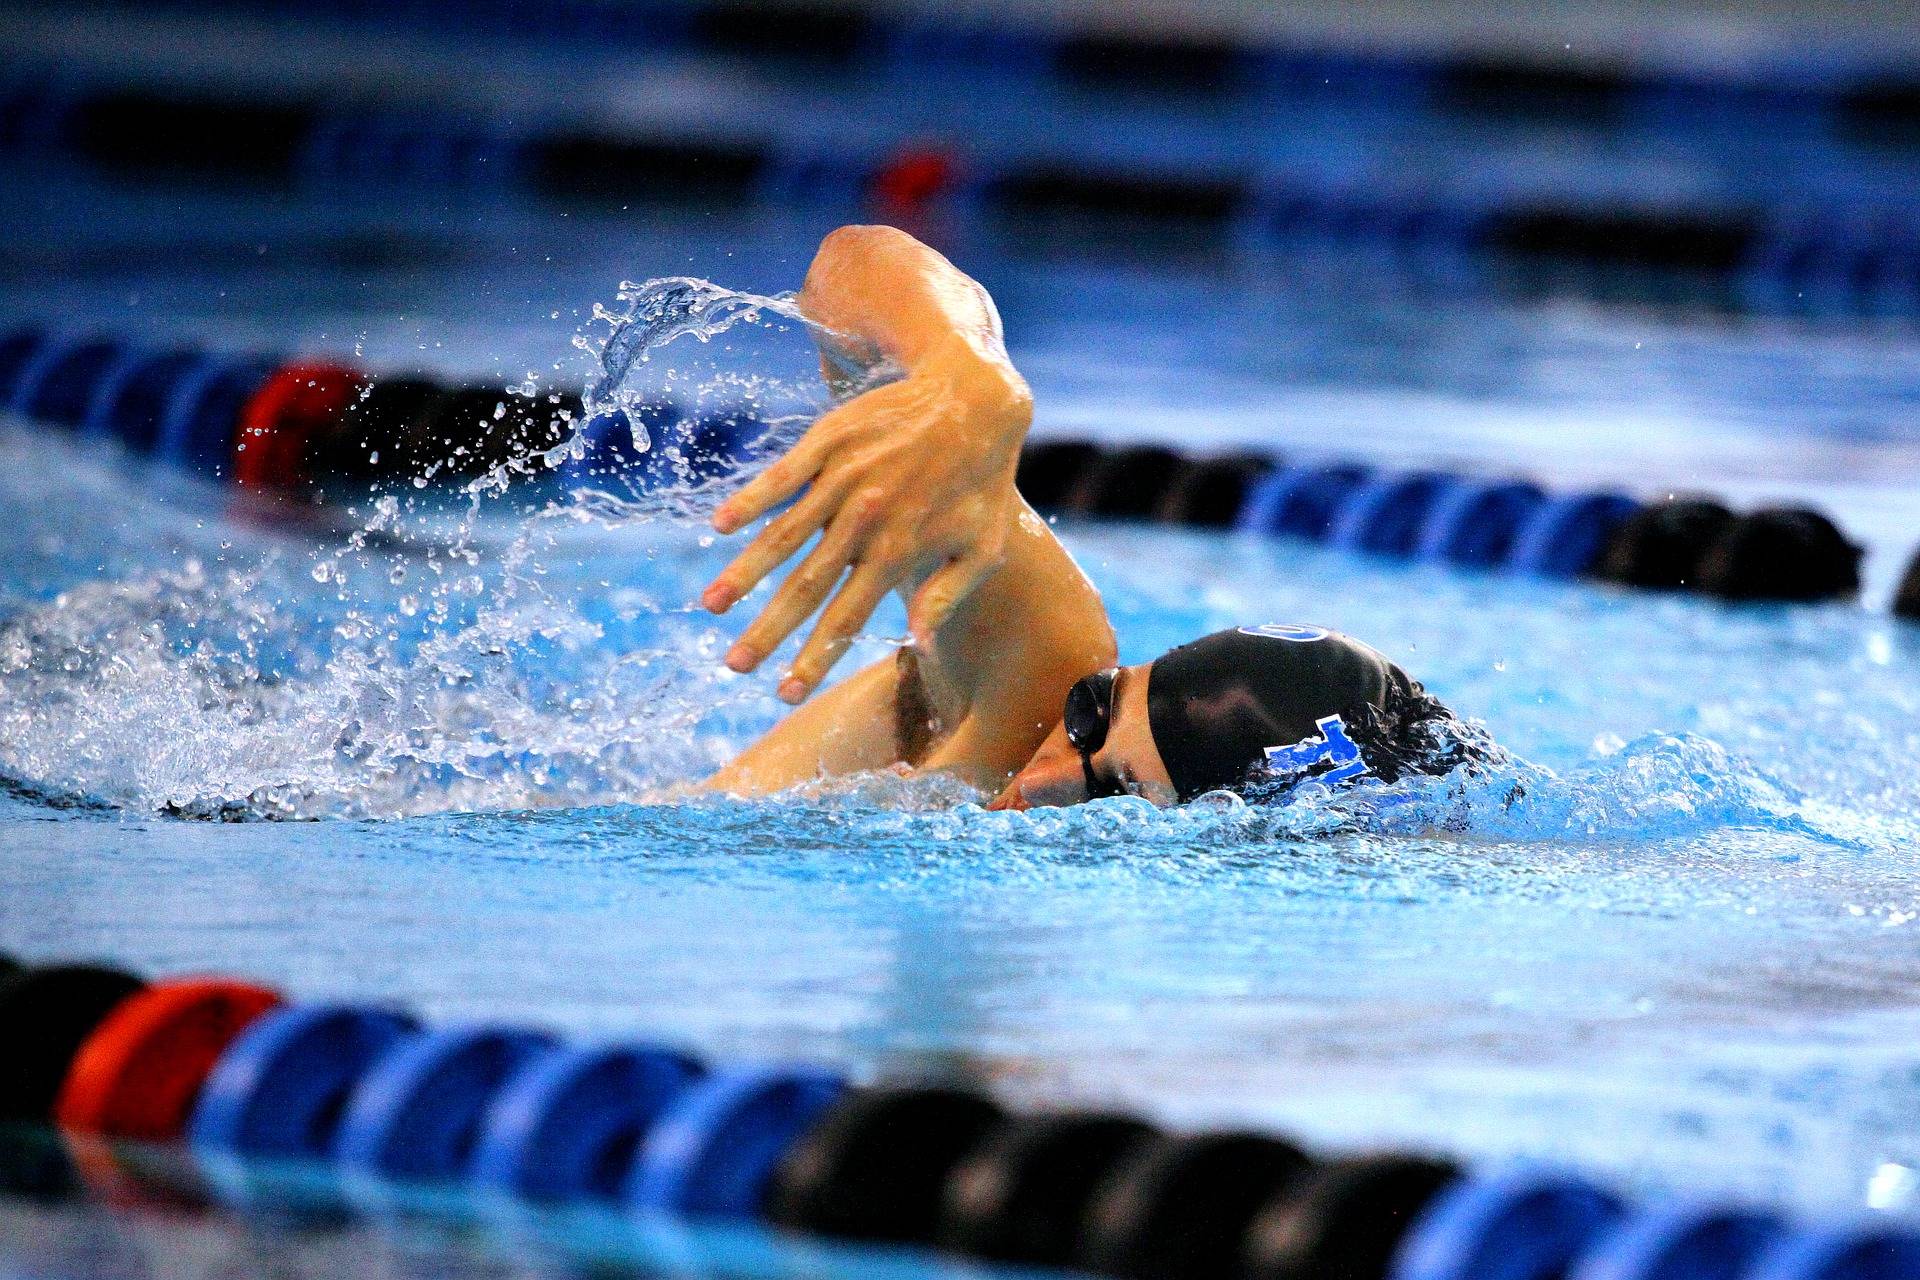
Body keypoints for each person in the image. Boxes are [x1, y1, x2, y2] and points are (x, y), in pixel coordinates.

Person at [697, 226, 1467, 809]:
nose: (1045, 779)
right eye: (1089, 715)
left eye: (1115, 796)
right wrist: (968, 372)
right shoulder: (1037, 681)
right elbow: (847, 264)